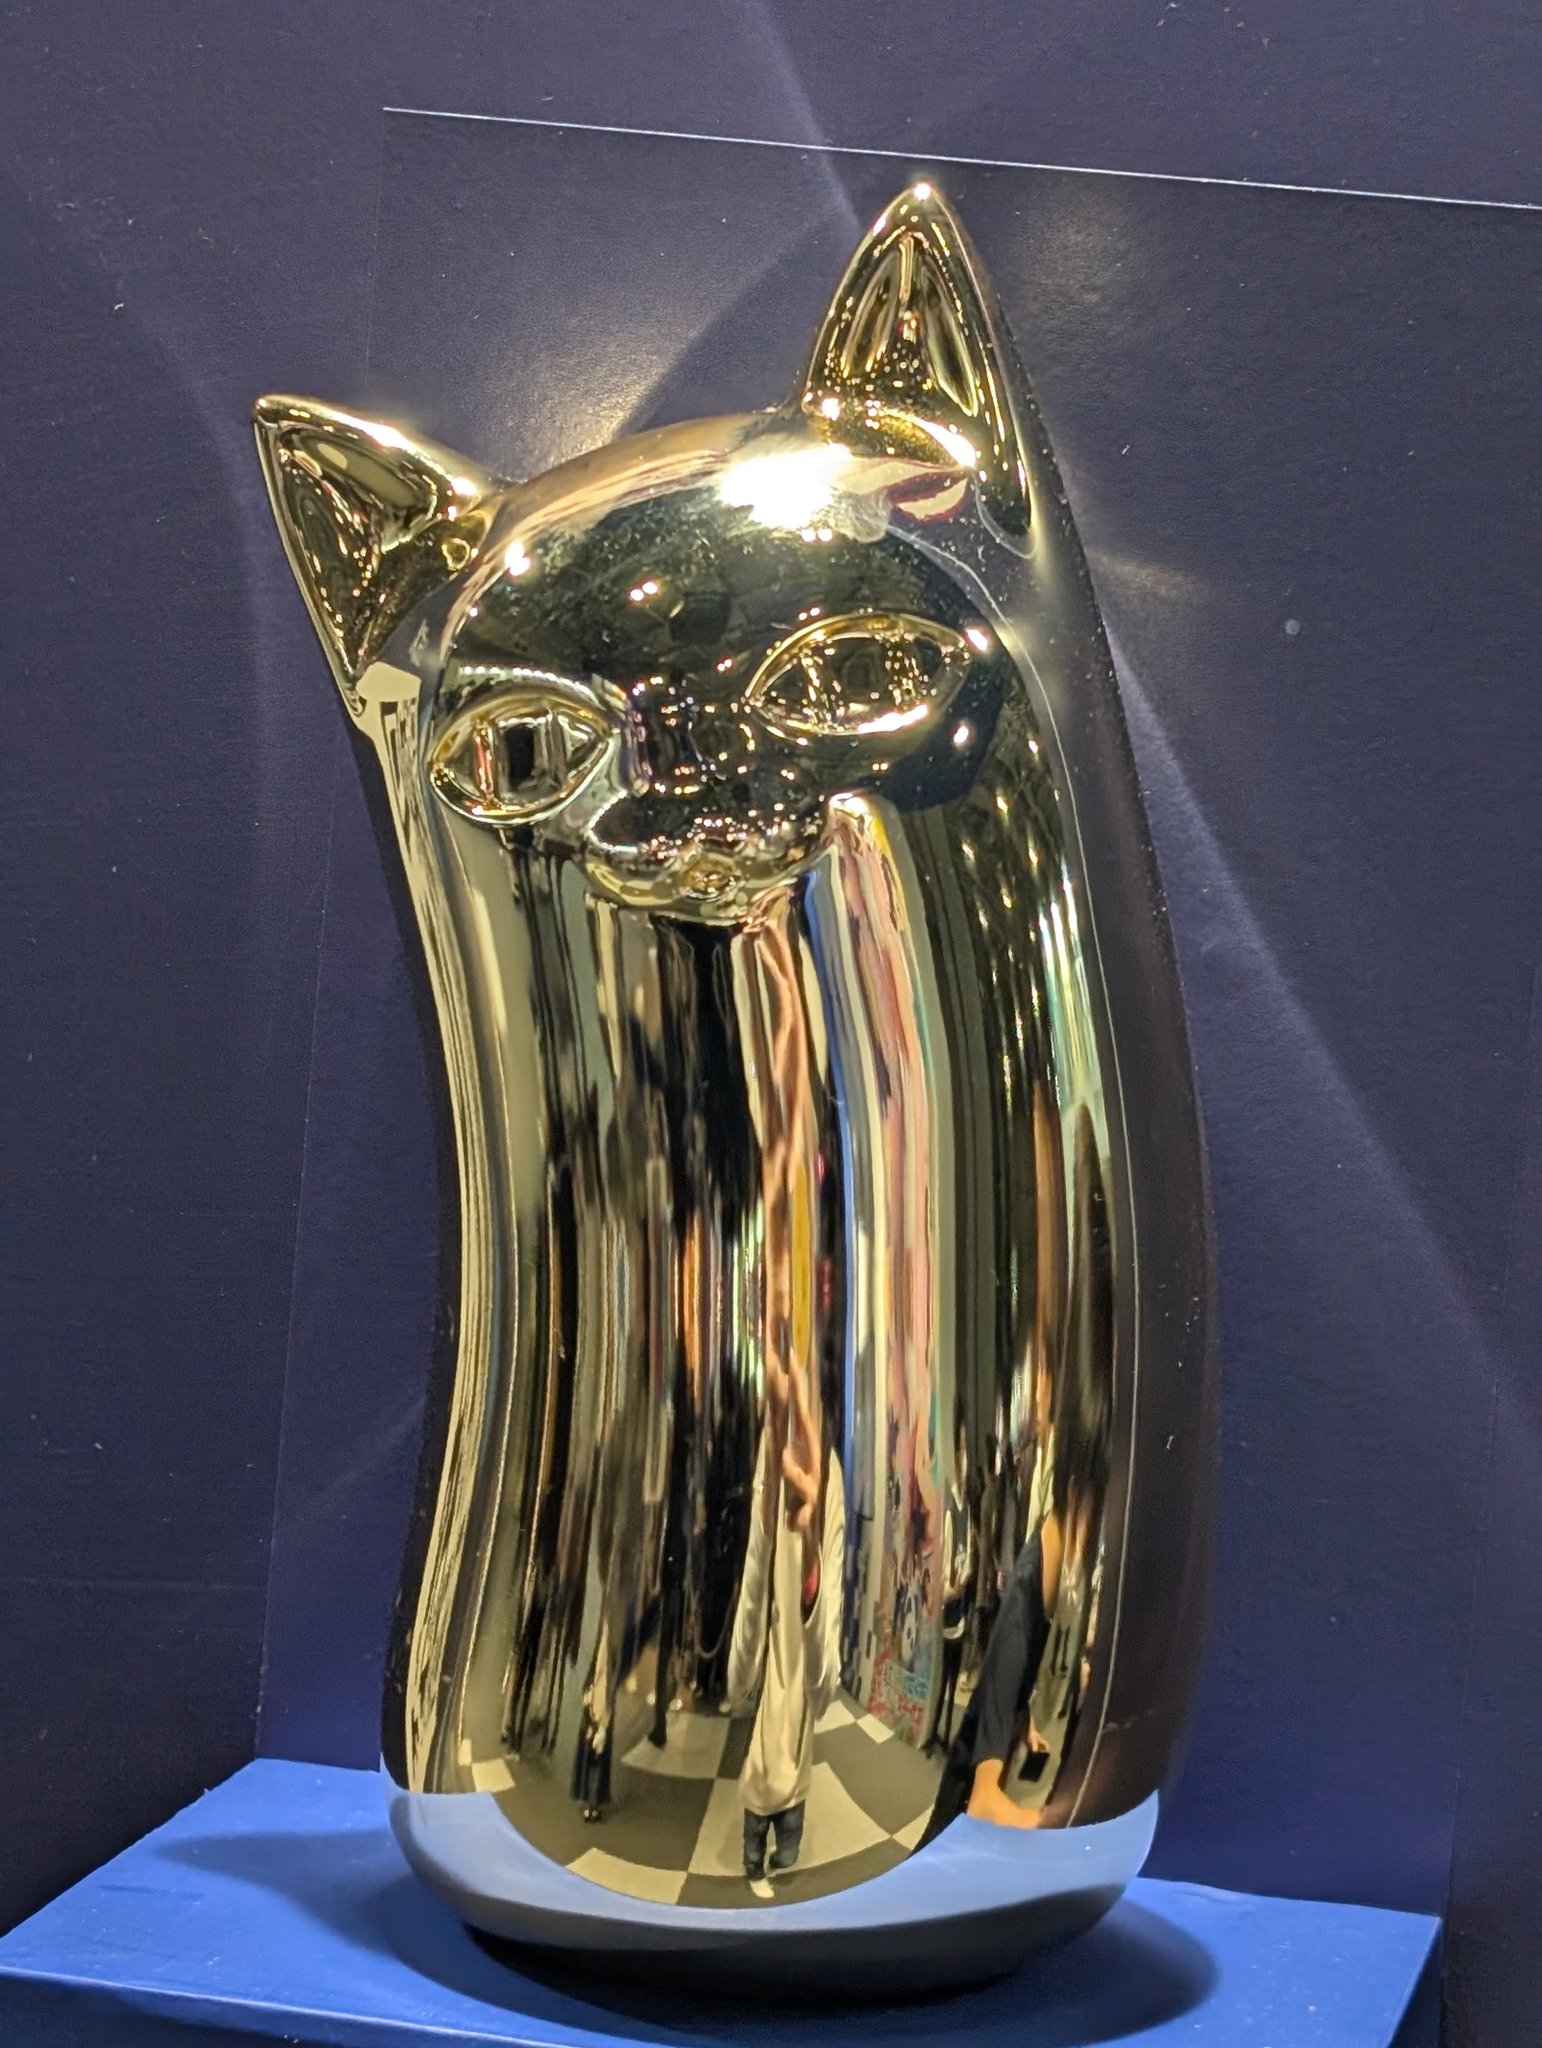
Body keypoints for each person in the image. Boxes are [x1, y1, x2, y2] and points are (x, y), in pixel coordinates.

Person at [727, 1348, 846, 1879]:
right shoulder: (765, 1458)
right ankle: (758, 1849)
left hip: (799, 1665)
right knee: (763, 1767)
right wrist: (765, 1512)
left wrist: (811, 1563)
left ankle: (781, 1844)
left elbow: (825, 1679)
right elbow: (753, 1583)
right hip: (770, 1657)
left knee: (792, 1754)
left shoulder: (830, 1476)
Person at [924, 1415, 973, 1755]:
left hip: (960, 1602)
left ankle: (944, 1732)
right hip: (945, 1604)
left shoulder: (965, 1504)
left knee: (953, 1676)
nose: (965, 1458)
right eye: (961, 1449)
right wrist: (946, 1589)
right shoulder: (946, 1503)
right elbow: (939, 1554)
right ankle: (934, 1732)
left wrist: (966, 1577)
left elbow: (966, 1550)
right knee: (941, 1677)